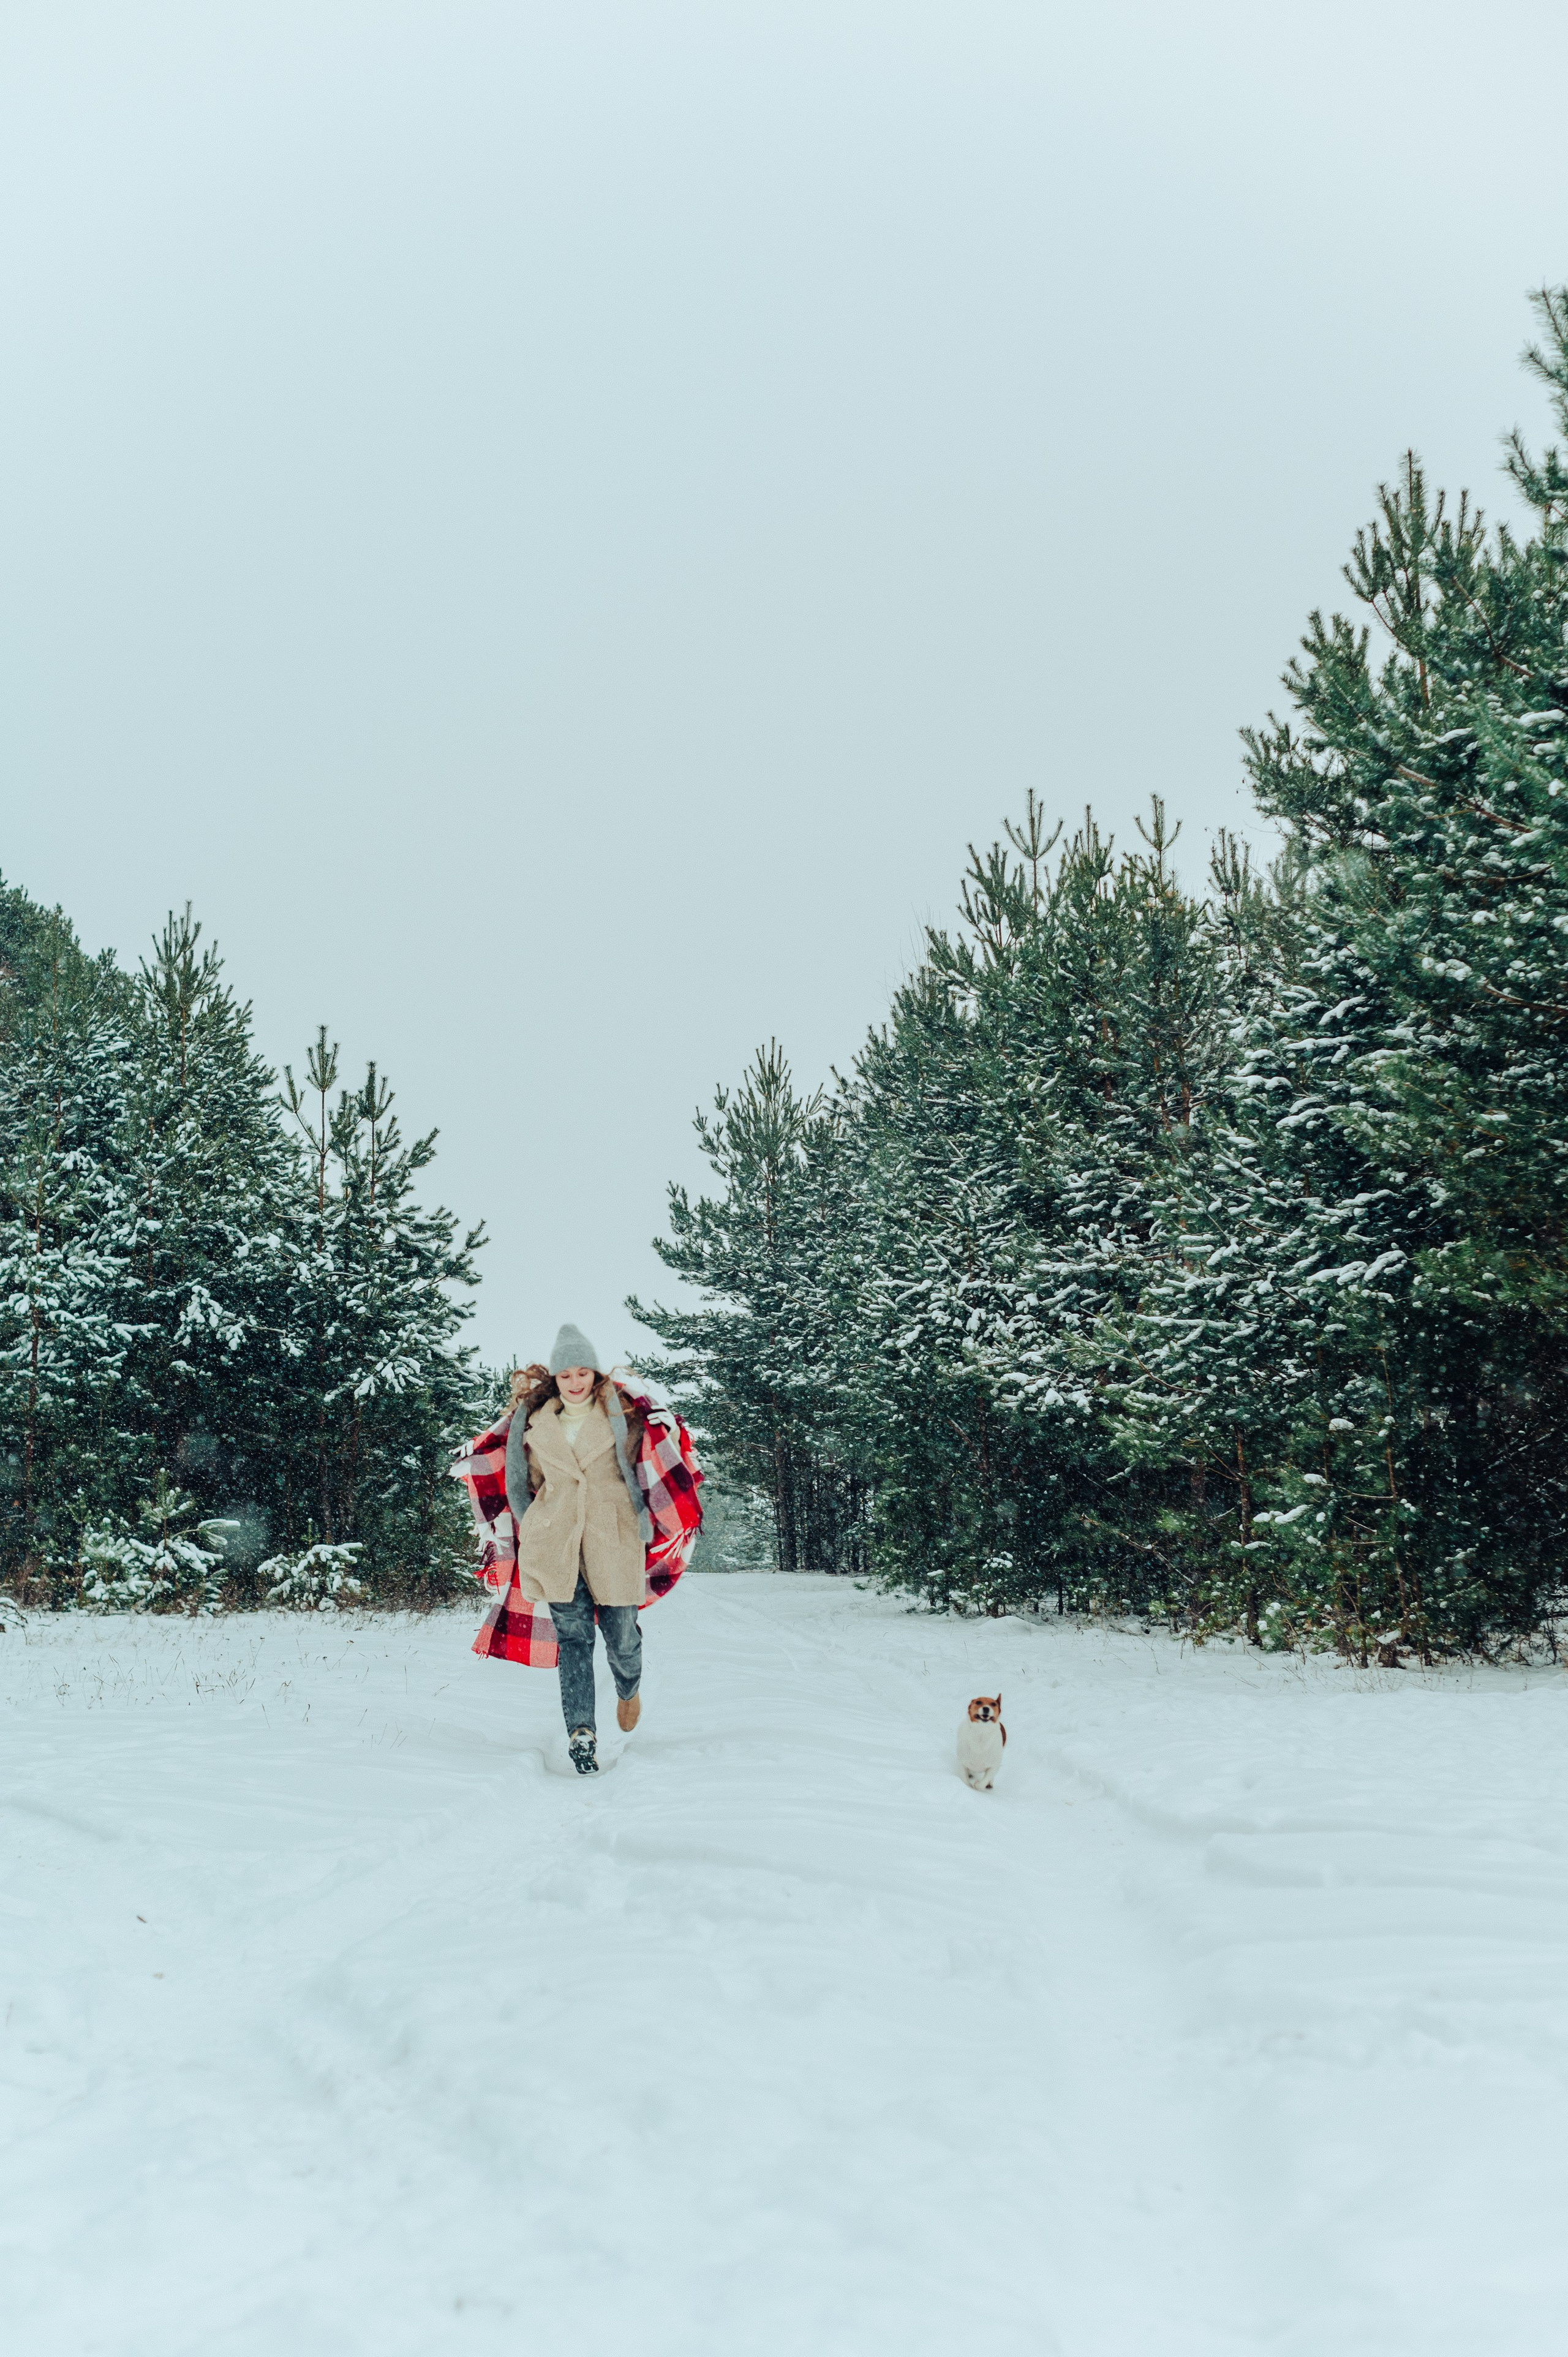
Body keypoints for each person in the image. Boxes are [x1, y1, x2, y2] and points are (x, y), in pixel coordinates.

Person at [505, 1324, 651, 1775]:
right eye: (565, 1374)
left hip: (613, 1533)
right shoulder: (533, 1421)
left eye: (582, 1372)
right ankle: (581, 1731)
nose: (574, 1381)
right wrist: (536, 1522)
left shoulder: (621, 1414)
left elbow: (645, 1468)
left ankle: (628, 1688)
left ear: (594, 1373)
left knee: (622, 1633)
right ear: (555, 1376)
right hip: (557, 1538)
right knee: (573, 1640)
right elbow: (519, 1482)